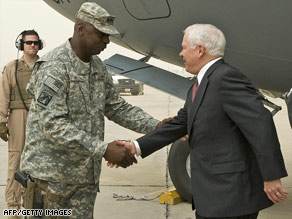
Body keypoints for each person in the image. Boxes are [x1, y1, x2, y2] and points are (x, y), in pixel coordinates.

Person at [121, 24, 289, 219]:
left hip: (232, 197)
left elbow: (261, 124)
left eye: (184, 47)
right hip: (212, 195)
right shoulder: (202, 81)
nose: (181, 53)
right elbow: (182, 122)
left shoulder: (226, 78)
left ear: (200, 50)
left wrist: (271, 177)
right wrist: (137, 146)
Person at [19, 2, 168, 218]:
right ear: (80, 29)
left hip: (83, 181)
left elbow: (117, 107)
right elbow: (54, 126)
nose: (107, 41)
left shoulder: (97, 67)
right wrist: (103, 149)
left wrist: (156, 126)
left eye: (108, 36)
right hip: (51, 181)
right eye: (101, 34)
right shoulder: (54, 67)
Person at [0, 30, 42, 213]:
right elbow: (3, 95)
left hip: (41, 117)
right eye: (28, 43)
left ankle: (35, 208)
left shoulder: (46, 67)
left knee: (40, 164)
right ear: (21, 45)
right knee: (16, 162)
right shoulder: (12, 67)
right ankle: (14, 209)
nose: (32, 45)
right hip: (18, 116)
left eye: (35, 42)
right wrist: (1, 121)